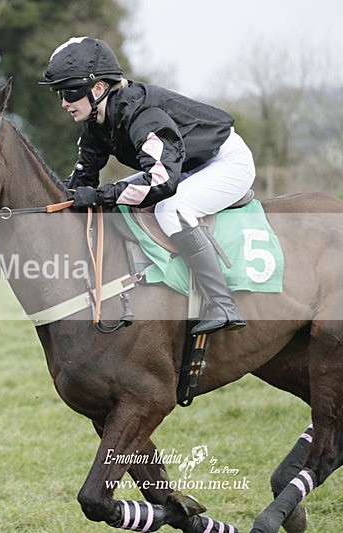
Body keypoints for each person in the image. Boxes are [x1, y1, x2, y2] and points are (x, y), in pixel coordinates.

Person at [39, 36, 255, 335]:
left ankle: (224, 305)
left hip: (224, 162)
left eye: (69, 92)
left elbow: (162, 182)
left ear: (98, 88)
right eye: (59, 93)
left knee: (171, 209)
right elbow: (80, 186)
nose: (63, 103)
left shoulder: (144, 116)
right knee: (112, 198)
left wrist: (101, 195)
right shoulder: (95, 124)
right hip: (183, 166)